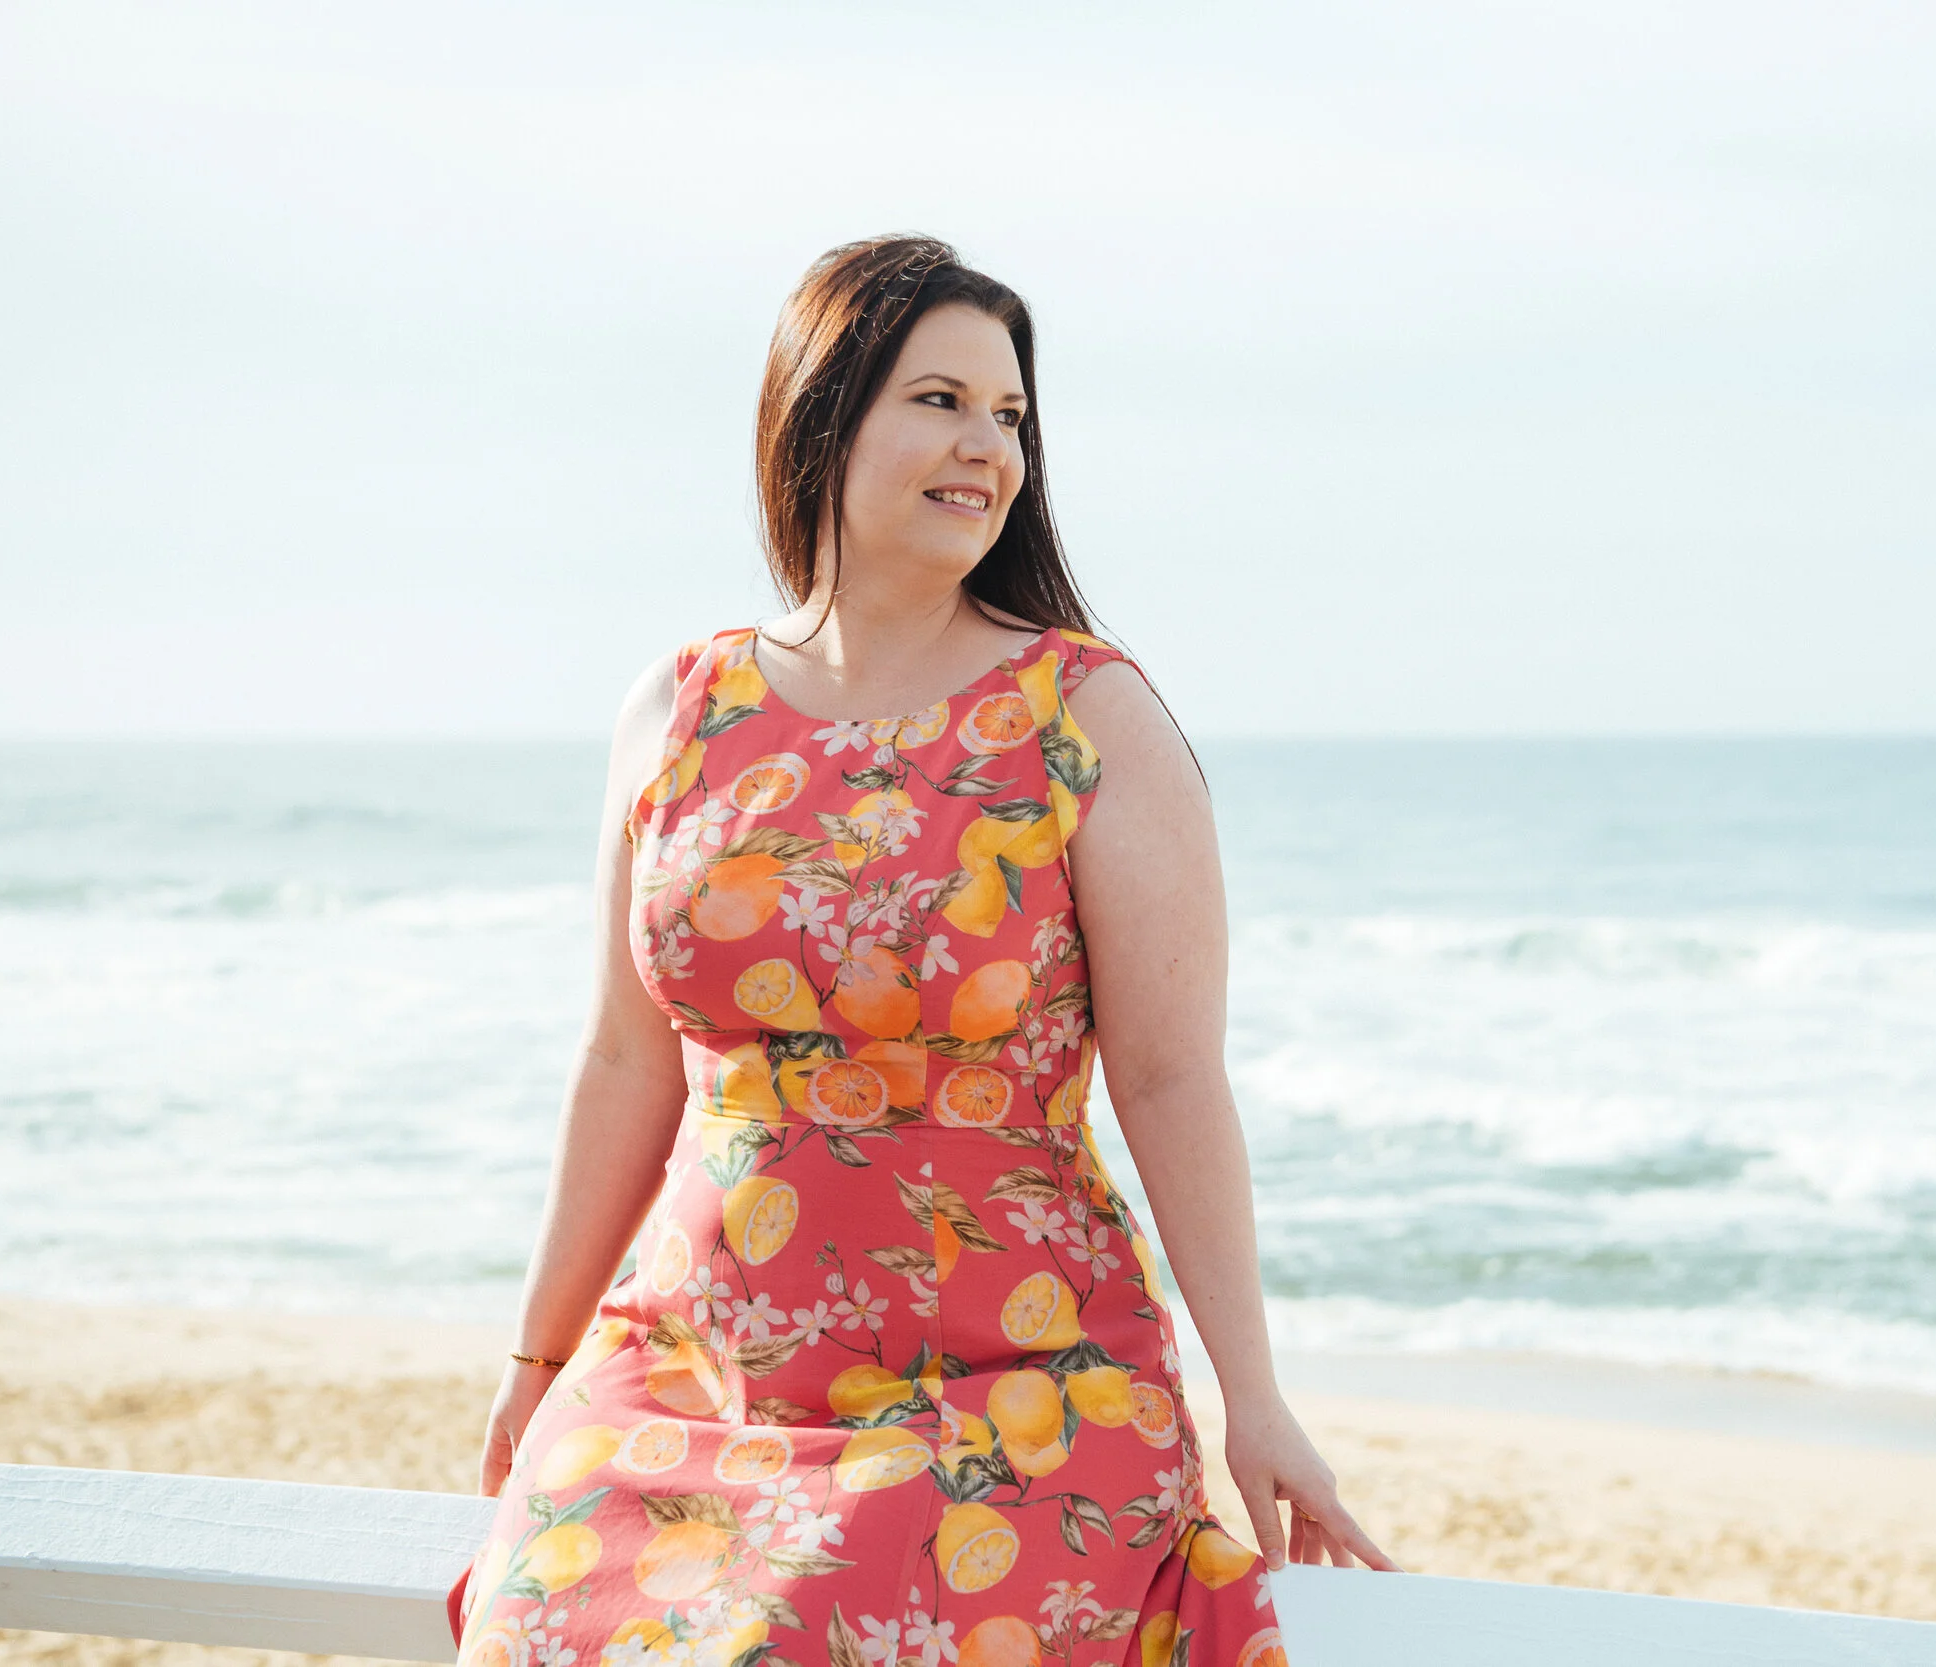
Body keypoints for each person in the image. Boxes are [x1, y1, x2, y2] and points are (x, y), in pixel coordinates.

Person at [450, 235, 1393, 1667]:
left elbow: (1170, 1078)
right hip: (690, 1370)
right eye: (940, 400)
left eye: (1009, 415)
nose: (988, 448)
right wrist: (537, 1359)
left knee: (812, 1630)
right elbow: (624, 1063)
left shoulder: (1088, 715)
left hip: (1003, 1379)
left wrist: (1250, 1399)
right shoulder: (680, 706)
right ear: (819, 417)